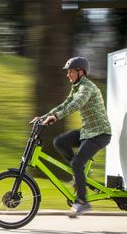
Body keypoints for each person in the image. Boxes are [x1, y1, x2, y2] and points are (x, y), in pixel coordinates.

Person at [31, 56, 112, 218]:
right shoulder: (76, 87)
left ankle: (83, 201)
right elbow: (65, 104)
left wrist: (57, 117)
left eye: (70, 72)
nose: (68, 75)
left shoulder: (87, 87)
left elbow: (77, 104)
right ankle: (78, 174)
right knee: (59, 142)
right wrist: (43, 117)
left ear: (80, 72)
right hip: (87, 132)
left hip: (100, 133)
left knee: (76, 162)